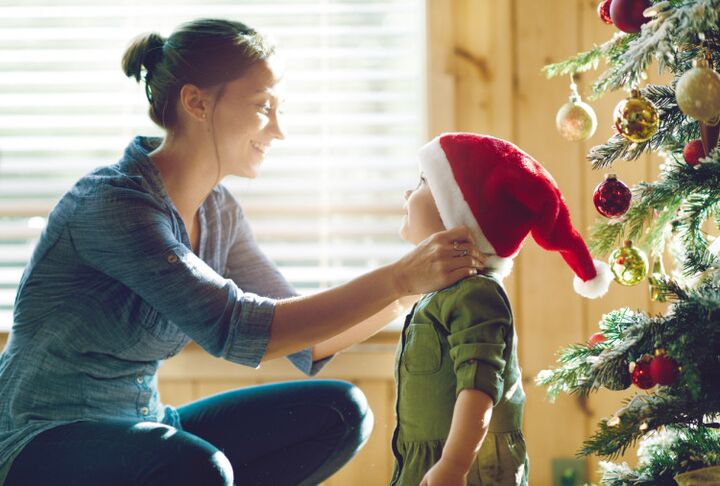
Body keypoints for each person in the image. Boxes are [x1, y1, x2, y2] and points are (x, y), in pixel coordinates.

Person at [0, 19, 485, 486]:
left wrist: (414, 290)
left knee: (341, 413)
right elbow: (235, 328)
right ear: (197, 103)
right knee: (197, 467)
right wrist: (399, 277)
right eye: (262, 106)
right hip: (39, 439)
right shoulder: (114, 205)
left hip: (142, 423)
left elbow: (306, 341)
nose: (278, 130)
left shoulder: (218, 213)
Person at [389, 133, 613, 486]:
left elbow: (479, 388)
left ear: (459, 224)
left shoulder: (475, 294)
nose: (407, 193)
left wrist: (453, 464)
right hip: (429, 462)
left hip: (471, 468)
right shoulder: (440, 294)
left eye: (422, 182)